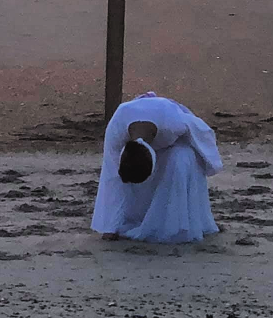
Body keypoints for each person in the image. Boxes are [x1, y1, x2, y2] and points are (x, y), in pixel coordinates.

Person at [91, 92, 223, 243]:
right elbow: (111, 177)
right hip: (137, 142)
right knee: (122, 174)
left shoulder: (173, 124)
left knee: (182, 157)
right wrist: (110, 228)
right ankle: (137, 216)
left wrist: (211, 164)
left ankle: (185, 219)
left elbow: (201, 134)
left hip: (173, 144)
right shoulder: (116, 130)